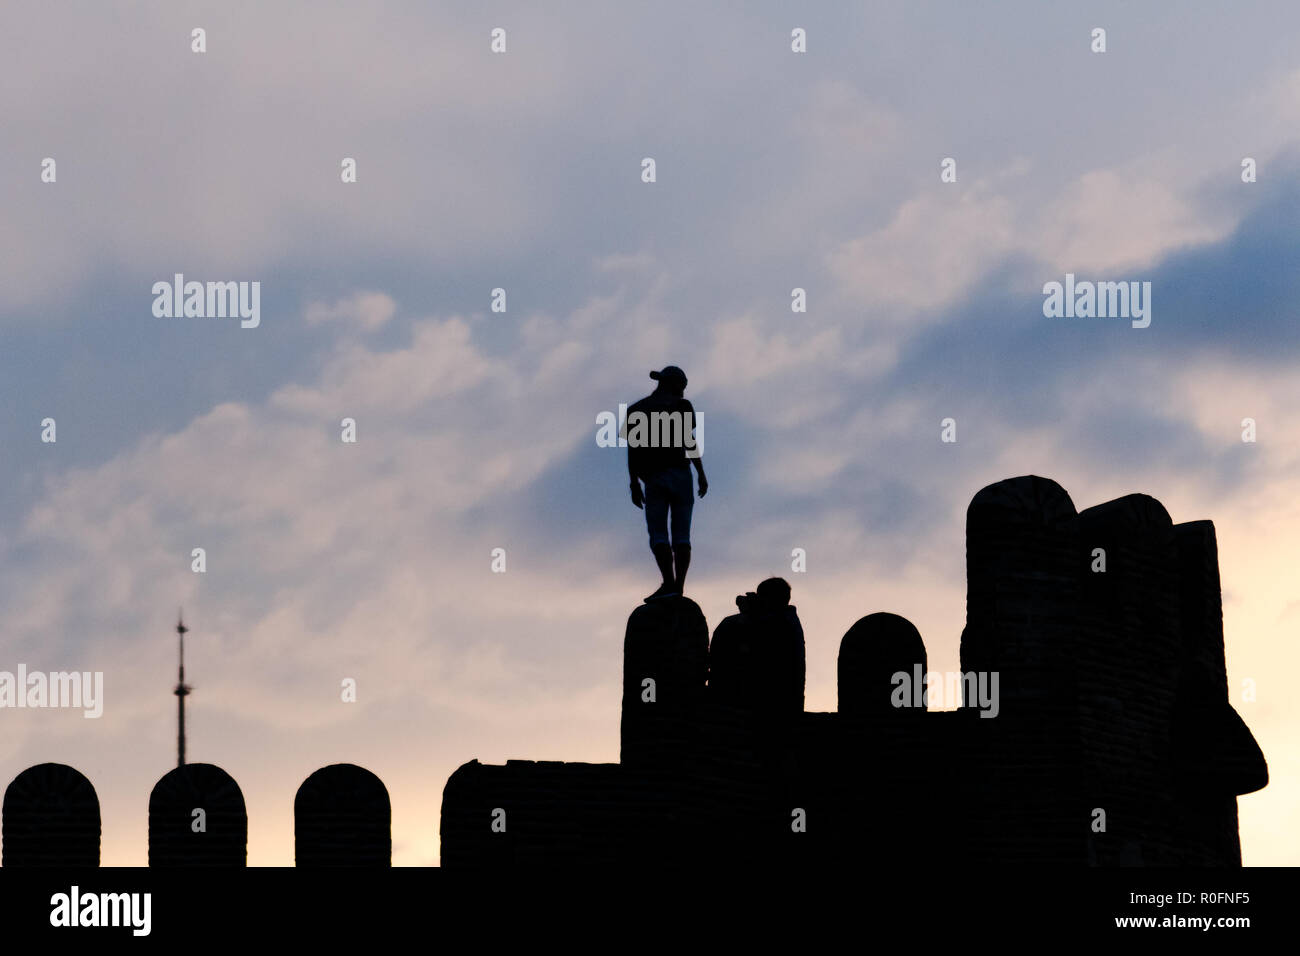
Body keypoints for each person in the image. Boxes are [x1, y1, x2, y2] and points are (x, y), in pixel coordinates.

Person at [626, 366, 707, 601]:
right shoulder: (682, 406)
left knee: (658, 533)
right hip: (681, 474)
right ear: (674, 384)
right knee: (682, 533)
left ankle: (669, 583)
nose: (683, 391)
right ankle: (677, 586)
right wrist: (700, 471)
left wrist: (633, 482)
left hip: (654, 477)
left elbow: (633, 449)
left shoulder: (637, 410)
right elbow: (687, 440)